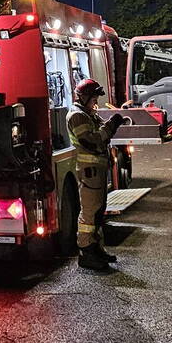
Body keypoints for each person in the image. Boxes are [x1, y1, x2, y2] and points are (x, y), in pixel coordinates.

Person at [68, 78, 126, 270]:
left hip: (97, 171)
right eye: (93, 98)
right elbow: (91, 141)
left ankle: (96, 248)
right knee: (90, 213)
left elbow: (103, 131)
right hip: (89, 171)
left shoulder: (88, 114)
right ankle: (86, 252)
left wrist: (113, 122)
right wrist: (111, 125)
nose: (96, 102)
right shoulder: (77, 116)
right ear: (84, 97)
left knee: (98, 212)